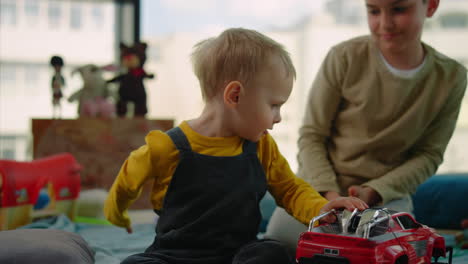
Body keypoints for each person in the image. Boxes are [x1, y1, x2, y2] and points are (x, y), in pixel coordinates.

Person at [104, 28, 368, 264]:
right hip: (174, 254)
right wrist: (117, 214)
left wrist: (320, 209)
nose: (278, 117)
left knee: (273, 253)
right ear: (235, 95)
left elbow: (290, 189)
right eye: (274, 105)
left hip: (238, 254)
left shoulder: (262, 146)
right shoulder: (167, 147)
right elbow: (127, 181)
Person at [265, 0, 468, 252]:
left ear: (431, 6)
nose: (384, 23)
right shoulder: (343, 57)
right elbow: (312, 136)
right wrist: (330, 197)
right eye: (373, 11)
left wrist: (375, 191)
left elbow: (429, 155)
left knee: (385, 253)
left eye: (399, 9)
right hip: (319, 189)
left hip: (385, 196)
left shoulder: (452, 77)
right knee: (277, 247)